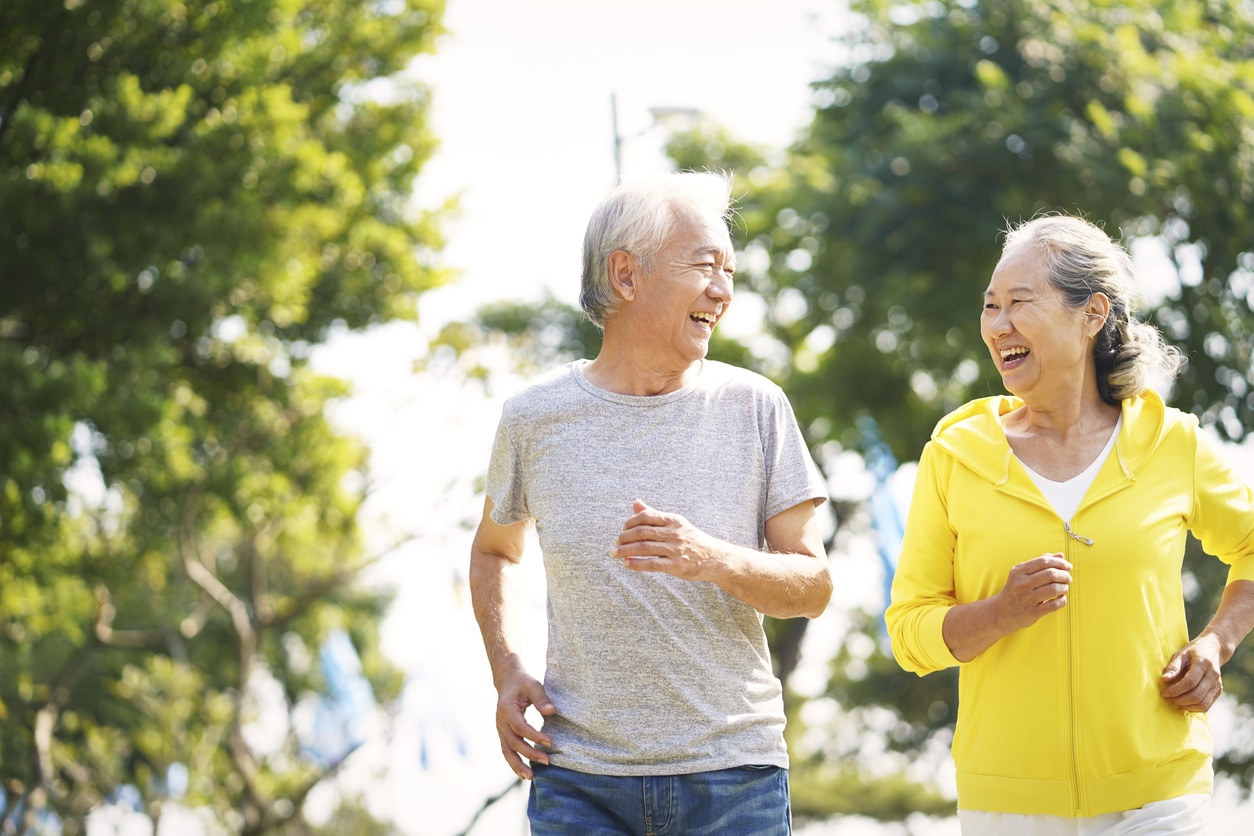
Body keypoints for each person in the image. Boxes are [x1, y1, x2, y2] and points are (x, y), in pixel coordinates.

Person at [468, 171, 832, 835]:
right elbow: (496, 551)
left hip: (734, 781)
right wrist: (508, 668)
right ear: (627, 276)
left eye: (730, 269)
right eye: (704, 265)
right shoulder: (533, 418)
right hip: (579, 783)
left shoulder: (755, 407)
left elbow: (812, 585)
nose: (723, 290)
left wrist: (712, 559)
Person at [885, 214, 1254, 834]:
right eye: (990, 307)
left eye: (1019, 303)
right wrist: (1000, 613)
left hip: (1159, 796)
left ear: (1092, 315)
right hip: (1007, 804)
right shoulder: (954, 455)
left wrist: (1216, 642)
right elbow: (908, 632)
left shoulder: (1171, 442)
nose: (999, 325)